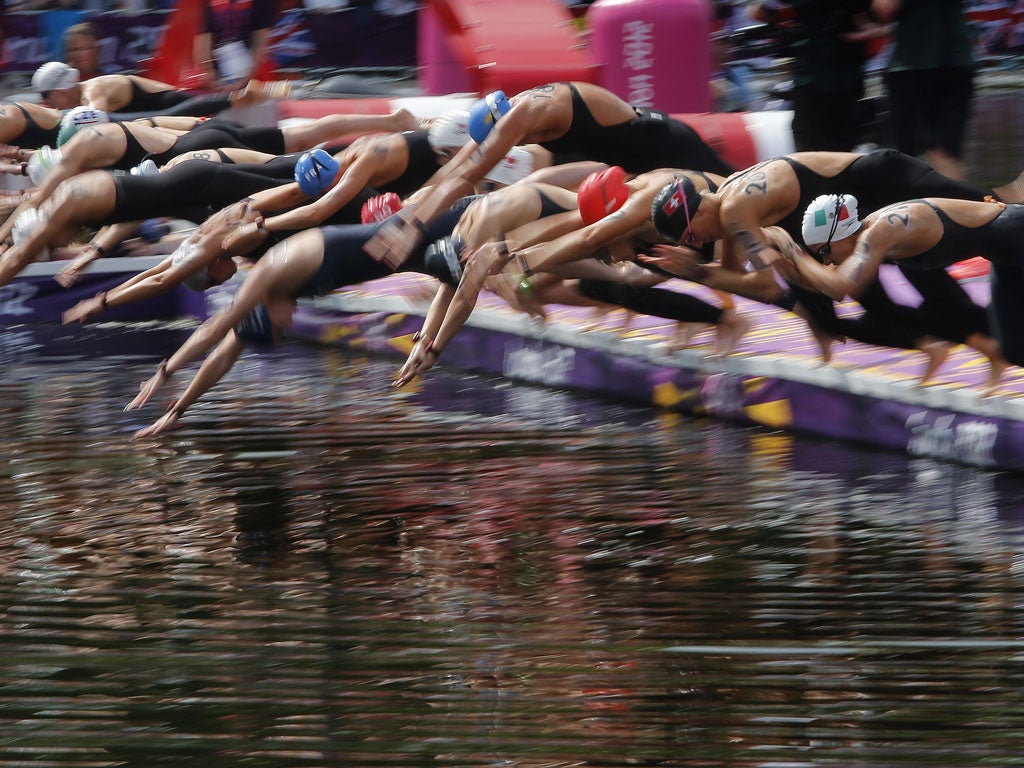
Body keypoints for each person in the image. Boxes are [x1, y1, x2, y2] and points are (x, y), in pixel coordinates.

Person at [642, 149, 1009, 383]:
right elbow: (747, 279)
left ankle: (992, 344)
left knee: (996, 215)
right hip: (849, 222)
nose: (696, 245)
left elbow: (766, 285)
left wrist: (697, 272)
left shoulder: (736, 212)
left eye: (691, 237)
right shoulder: (728, 209)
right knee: (871, 308)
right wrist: (698, 272)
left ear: (698, 213)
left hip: (888, 184)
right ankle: (982, 345)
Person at [393, 164, 749, 386]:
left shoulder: (491, 223)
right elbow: (455, 287)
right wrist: (425, 342)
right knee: (616, 284)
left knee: (627, 281)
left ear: (464, 254)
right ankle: (699, 315)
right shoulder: (464, 234)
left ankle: (726, 318)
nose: (476, 279)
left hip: (590, 225)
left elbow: (484, 288)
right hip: (584, 229)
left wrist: (436, 348)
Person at [361, 81, 735, 269]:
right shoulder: (510, 113)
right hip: (636, 161)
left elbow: (466, 172)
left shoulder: (523, 113)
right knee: (663, 230)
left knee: (728, 199)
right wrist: (412, 212)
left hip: (668, 146)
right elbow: (459, 168)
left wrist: (413, 224)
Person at [0, 109, 419, 246]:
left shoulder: (81, 154)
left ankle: (371, 186)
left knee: (295, 173)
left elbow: (42, 197)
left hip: (196, 158)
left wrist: (9, 236)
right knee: (301, 142)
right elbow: (173, 120)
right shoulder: (108, 132)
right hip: (202, 138)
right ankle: (389, 123)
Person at [775, 193, 1024, 374]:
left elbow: (841, 288)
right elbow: (828, 285)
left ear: (839, 233)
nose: (827, 260)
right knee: (1014, 351)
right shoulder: (868, 237)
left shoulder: (883, 230)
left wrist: (796, 253)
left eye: (825, 250)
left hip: (1018, 233)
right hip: (1007, 259)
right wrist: (792, 272)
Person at [752, 0, 889, 152]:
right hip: (846, 77)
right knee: (842, 149)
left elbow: (760, 13)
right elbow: (882, 14)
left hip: (813, 78)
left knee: (810, 149)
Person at [872, 0, 976, 180]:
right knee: (946, 151)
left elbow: (885, 8)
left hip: (914, 63)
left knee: (903, 154)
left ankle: (908, 196)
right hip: (957, 59)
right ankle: (952, 196)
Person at [30, 60, 285, 118]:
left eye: (48, 98)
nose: (49, 104)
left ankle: (247, 95)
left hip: (170, 105)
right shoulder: (84, 94)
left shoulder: (93, 92)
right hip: (160, 111)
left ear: (61, 89)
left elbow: (97, 124)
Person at [193, 0, 277, 91]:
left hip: (254, 77)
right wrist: (208, 72)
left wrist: (246, 80)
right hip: (219, 78)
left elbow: (260, 45)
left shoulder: (261, 2)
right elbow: (203, 37)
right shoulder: (209, 3)